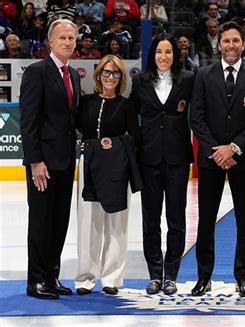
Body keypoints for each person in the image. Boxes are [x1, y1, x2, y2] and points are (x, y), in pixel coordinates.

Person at [190, 21, 245, 298]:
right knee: (206, 220)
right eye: (226, 41)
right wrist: (217, 150)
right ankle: (203, 277)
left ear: (243, 44)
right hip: (212, 159)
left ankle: (242, 277)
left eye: (236, 41)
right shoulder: (203, 75)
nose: (231, 45)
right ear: (219, 44)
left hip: (242, 160)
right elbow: (195, 117)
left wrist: (233, 148)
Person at [19, 19, 80, 299]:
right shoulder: (36, 72)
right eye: (62, 38)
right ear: (50, 42)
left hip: (66, 162)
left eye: (72, 38)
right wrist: (35, 162)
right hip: (42, 164)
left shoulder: (74, 75)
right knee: (41, 221)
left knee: (59, 221)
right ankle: (35, 281)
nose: (68, 42)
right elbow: (28, 121)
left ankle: (51, 276)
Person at [130, 33, 194, 296]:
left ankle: (172, 275)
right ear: (152, 54)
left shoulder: (188, 79)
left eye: (168, 52)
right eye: (159, 52)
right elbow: (131, 118)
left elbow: (200, 111)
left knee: (176, 220)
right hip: (149, 160)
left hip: (178, 159)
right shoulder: (139, 81)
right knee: (151, 220)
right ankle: (155, 275)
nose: (164, 57)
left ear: (175, 55)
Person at [75, 54, 140, 296]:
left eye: (115, 73)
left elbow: (135, 137)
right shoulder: (86, 102)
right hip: (90, 167)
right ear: (98, 75)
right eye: (106, 72)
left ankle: (111, 277)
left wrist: (113, 146)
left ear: (121, 77)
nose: (110, 77)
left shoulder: (126, 105)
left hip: (117, 168)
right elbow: (78, 131)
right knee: (88, 223)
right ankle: (85, 277)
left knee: (116, 225)